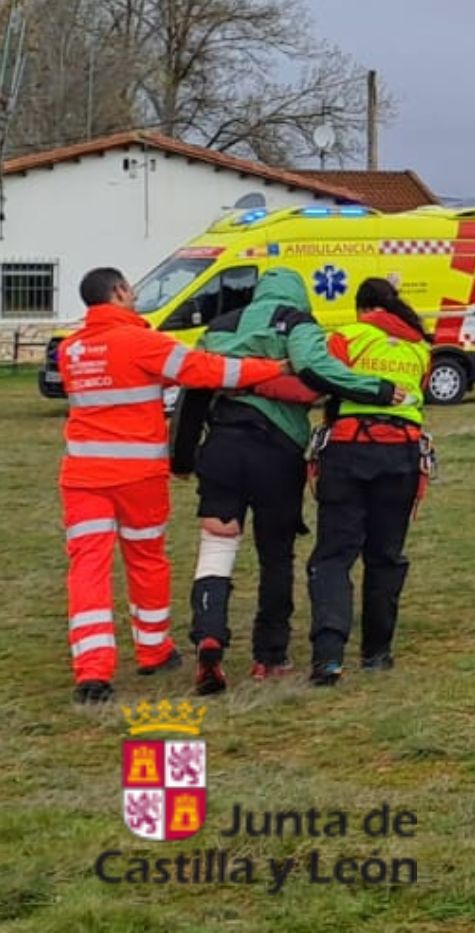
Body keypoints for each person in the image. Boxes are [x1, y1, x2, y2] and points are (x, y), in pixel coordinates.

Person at [56, 267, 286, 704]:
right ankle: (153, 649)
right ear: (120, 291)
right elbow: (205, 370)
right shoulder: (142, 342)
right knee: (145, 560)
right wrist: (269, 368)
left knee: (87, 568)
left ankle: (92, 669)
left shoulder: (72, 350)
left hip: (83, 477)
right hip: (137, 477)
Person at [178, 267, 404, 694]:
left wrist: (182, 457)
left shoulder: (220, 326)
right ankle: (270, 656)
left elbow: (196, 388)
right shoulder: (296, 323)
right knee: (275, 555)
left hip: (221, 447)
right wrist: (375, 389)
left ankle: (209, 637)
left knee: (217, 543)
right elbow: (317, 372)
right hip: (275, 454)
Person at [304, 277, 433, 686]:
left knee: (333, 557)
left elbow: (322, 384)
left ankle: (328, 657)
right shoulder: (419, 348)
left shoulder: (347, 337)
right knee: (385, 555)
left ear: (362, 309)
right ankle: (377, 653)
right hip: (403, 455)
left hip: (349, 450)